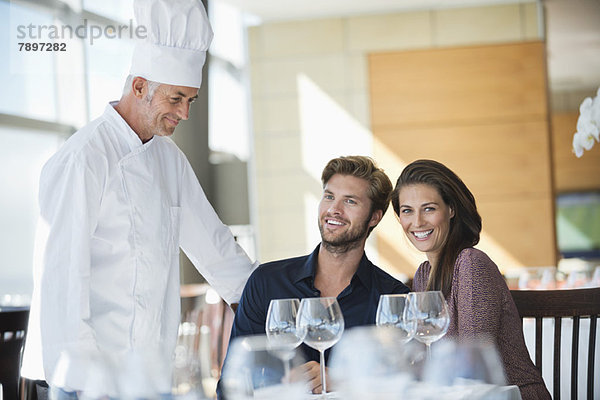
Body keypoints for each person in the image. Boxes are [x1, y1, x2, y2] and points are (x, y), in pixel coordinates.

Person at [20, 0, 257, 397]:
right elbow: (62, 280)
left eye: (190, 101)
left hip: (151, 375)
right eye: (176, 98)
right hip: (91, 379)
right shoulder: (83, 159)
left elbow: (216, 249)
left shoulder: (169, 160)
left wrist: (273, 301)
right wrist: (88, 383)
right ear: (140, 87)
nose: (184, 114)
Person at [218, 156, 410, 398]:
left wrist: (344, 380)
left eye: (350, 201)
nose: (334, 210)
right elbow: (231, 385)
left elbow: (405, 387)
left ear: (374, 217)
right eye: (329, 196)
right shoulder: (267, 282)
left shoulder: (393, 299)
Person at [390, 159, 551, 399]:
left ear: (451, 209)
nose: (417, 222)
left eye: (429, 208)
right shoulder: (423, 275)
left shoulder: (470, 263)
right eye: (407, 211)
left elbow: (471, 363)